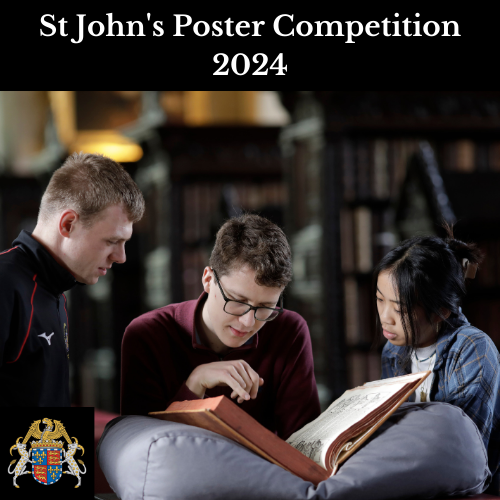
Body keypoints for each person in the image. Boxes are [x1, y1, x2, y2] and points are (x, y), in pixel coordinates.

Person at [121, 213, 321, 440]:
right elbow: (138, 450)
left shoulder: (289, 330)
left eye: (265, 307)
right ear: (208, 279)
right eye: (237, 301)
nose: (248, 322)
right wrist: (195, 384)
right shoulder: (147, 334)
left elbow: (303, 441)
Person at [0, 152, 145, 407]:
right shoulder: (4, 283)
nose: (121, 257)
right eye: (112, 241)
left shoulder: (55, 290)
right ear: (67, 224)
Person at [375, 226, 500, 493]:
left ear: (440, 311)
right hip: (413, 475)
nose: (386, 317)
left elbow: (463, 452)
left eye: (398, 308)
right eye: (379, 299)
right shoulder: (393, 350)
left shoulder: (473, 350)